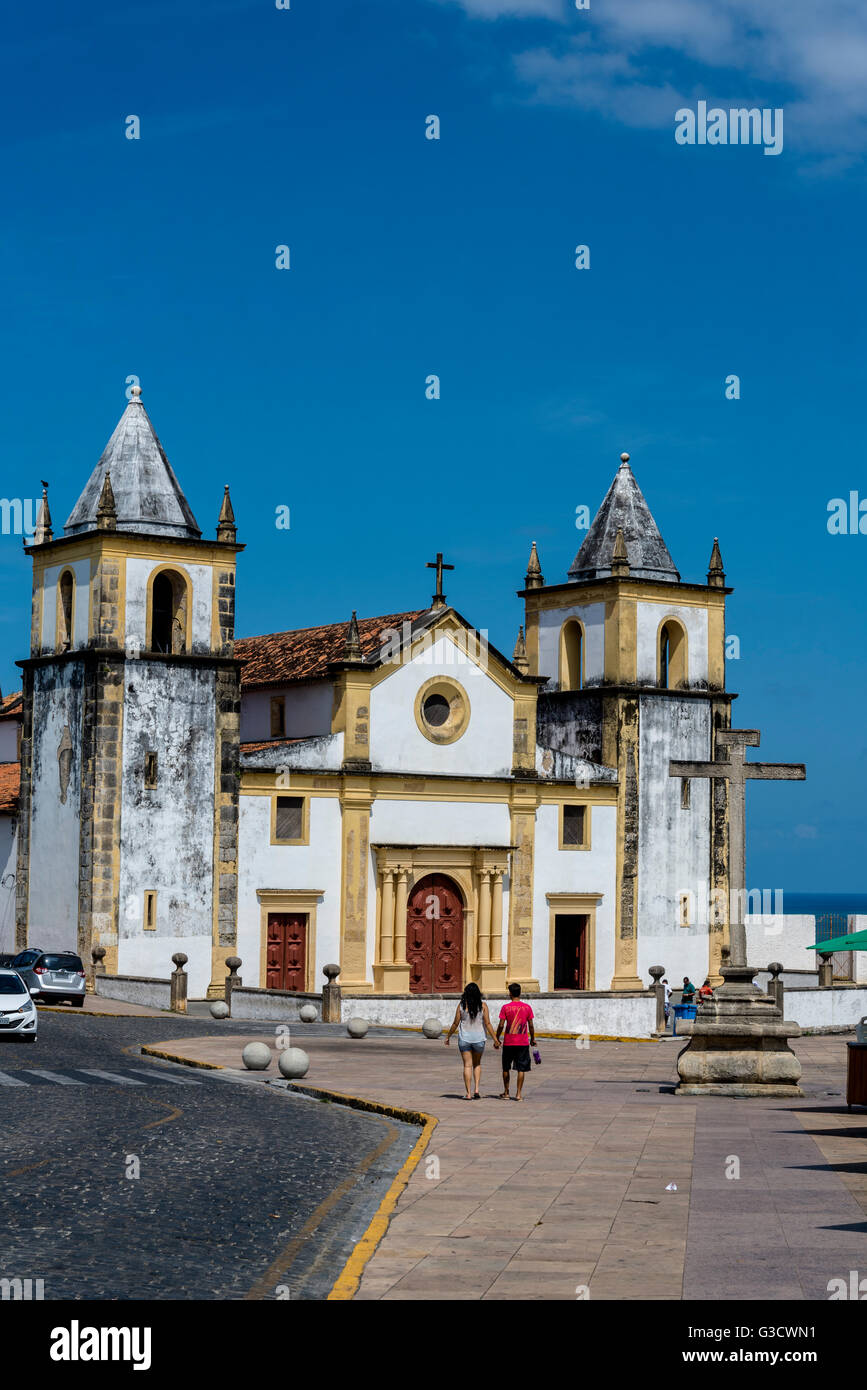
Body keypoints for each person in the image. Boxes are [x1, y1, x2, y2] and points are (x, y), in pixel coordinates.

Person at [444, 982, 499, 1100]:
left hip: (464, 1039)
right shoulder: (483, 1006)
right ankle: (477, 1090)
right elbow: (488, 1024)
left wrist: (448, 1036)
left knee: (467, 1066)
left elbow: (455, 1023)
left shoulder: (461, 1006)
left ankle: (468, 1094)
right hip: (479, 1039)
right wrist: (495, 1040)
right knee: (477, 1064)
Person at [496, 982, 536, 1102]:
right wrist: (533, 1039)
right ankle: (518, 1094)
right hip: (523, 1042)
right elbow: (531, 1025)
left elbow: (501, 1025)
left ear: (510, 993)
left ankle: (506, 1092)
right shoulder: (527, 1007)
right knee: (521, 1068)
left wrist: (497, 1037)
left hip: (509, 1042)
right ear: (520, 993)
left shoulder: (506, 1007)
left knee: (505, 1068)